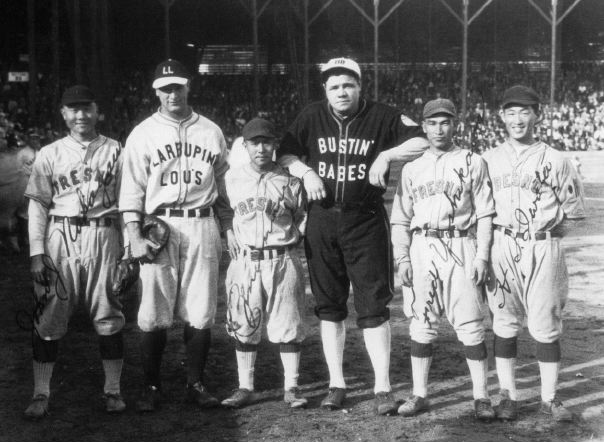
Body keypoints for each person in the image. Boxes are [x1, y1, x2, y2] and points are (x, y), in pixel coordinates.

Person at [278, 57, 429, 415]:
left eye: (348, 85)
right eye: (334, 87)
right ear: (325, 91)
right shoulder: (312, 115)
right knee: (329, 305)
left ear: (360, 86)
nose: (341, 92)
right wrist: (304, 171)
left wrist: (387, 155)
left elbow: (421, 141)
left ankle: (382, 387)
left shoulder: (383, 114)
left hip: (365, 220)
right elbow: (285, 151)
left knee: (374, 304)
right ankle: (337, 384)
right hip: (323, 219)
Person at [119, 59, 236, 412]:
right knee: (153, 309)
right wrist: (133, 234)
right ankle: (151, 386)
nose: (172, 93)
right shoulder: (142, 133)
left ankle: (195, 383)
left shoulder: (211, 130)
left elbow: (225, 184)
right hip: (159, 227)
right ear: (156, 91)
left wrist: (229, 228)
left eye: (178, 86)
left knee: (201, 309)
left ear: (189, 88)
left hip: (202, 223)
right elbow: (131, 191)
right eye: (165, 87)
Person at [483, 85, 586, 422]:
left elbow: (572, 214)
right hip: (501, 244)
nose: (517, 119)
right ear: (501, 116)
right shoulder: (488, 158)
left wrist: (546, 239)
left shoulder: (556, 159)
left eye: (524, 111)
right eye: (511, 112)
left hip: (543, 246)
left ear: (537, 115)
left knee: (545, 324)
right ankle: (508, 395)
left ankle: (549, 400)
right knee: (504, 322)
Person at [23, 85, 126, 418]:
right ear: (64, 114)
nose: (81, 115)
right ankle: (41, 393)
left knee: (109, 311)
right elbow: (37, 205)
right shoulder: (50, 153)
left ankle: (112, 390)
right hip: (60, 234)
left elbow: (128, 203)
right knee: (49, 312)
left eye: (87, 108)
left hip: (104, 234)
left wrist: (127, 250)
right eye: (74, 109)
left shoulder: (116, 150)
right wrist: (37, 252)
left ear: (98, 112)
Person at [390, 99, 496, 421]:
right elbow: (400, 218)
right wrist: (402, 258)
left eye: (445, 122)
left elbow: (486, 214)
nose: (439, 129)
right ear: (423, 127)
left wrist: (482, 256)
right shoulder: (411, 168)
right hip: (422, 247)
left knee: (470, 324)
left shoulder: (473, 161)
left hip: (460, 245)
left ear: (455, 124)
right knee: (421, 324)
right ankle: (419, 393)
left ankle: (481, 396)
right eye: (432, 123)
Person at [220, 118, 308, 409]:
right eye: (254, 142)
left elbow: (302, 216)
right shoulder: (231, 178)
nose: (261, 148)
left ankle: (292, 387)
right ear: (244, 146)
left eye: (266, 142)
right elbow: (221, 208)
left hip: (282, 258)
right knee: (244, 321)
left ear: (274, 145)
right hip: (246, 260)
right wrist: (228, 231)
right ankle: (246, 387)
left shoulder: (290, 180)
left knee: (288, 324)